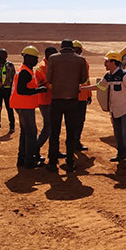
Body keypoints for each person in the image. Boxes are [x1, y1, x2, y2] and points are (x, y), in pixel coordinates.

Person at [83, 51, 126, 169]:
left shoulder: (124, 75)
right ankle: (121, 154)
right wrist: (82, 88)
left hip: (125, 109)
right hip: (114, 110)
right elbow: (99, 87)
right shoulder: (108, 76)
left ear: (114, 62)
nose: (105, 63)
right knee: (118, 134)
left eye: (107, 61)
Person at [45, 39, 88, 173]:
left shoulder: (53, 58)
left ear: (61, 47)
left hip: (57, 100)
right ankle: (70, 162)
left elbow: (49, 79)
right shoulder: (80, 60)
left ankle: (52, 163)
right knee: (71, 132)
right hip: (73, 100)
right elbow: (83, 79)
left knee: (54, 132)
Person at [10, 46, 47, 169]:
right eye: (34, 58)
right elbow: (22, 90)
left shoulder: (26, 70)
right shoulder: (25, 71)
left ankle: (22, 158)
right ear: (27, 57)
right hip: (24, 105)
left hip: (22, 104)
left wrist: (38, 86)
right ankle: (29, 161)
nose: (36, 61)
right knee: (31, 132)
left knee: (25, 132)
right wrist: (38, 90)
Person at [35, 46, 65, 158]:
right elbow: (48, 84)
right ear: (48, 55)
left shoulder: (52, 64)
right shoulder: (42, 67)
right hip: (45, 101)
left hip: (53, 100)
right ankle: (34, 150)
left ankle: (54, 151)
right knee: (48, 128)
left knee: (55, 128)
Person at [73, 40, 91, 152]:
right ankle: (74, 142)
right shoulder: (81, 61)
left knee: (79, 121)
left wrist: (89, 95)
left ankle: (75, 142)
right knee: (76, 121)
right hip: (76, 96)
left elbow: (87, 80)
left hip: (81, 96)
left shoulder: (84, 62)